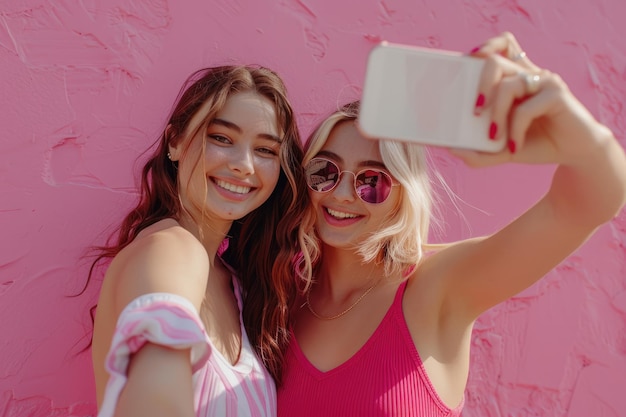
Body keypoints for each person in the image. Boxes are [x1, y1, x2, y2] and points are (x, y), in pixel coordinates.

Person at [277, 32, 626, 416]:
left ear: (404, 194)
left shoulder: (436, 288)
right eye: (325, 171)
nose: (341, 194)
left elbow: (588, 203)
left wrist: (564, 121)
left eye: (371, 181)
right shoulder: (281, 296)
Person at [90, 65, 307, 417]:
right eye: (221, 138)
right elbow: (155, 397)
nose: (244, 165)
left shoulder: (235, 284)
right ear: (174, 142)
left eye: (266, 150)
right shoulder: (173, 249)